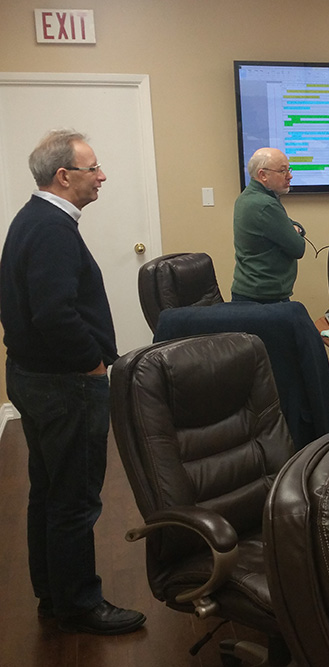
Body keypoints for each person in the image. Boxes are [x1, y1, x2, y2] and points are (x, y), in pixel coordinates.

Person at [0, 130, 146, 634]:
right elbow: (54, 314)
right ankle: (81, 602)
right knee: (75, 498)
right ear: (64, 176)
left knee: (48, 492)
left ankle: (54, 593)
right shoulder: (52, 229)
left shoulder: (31, 220)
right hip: (64, 385)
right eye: (93, 168)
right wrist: (93, 365)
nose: (102, 176)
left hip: (31, 376)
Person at [231, 147, 306, 303]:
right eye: (283, 171)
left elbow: (290, 224)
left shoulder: (248, 197)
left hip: (251, 292)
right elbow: (298, 248)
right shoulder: (265, 205)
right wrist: (294, 230)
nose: (290, 176)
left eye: (289, 169)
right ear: (263, 175)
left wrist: (294, 228)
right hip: (263, 298)